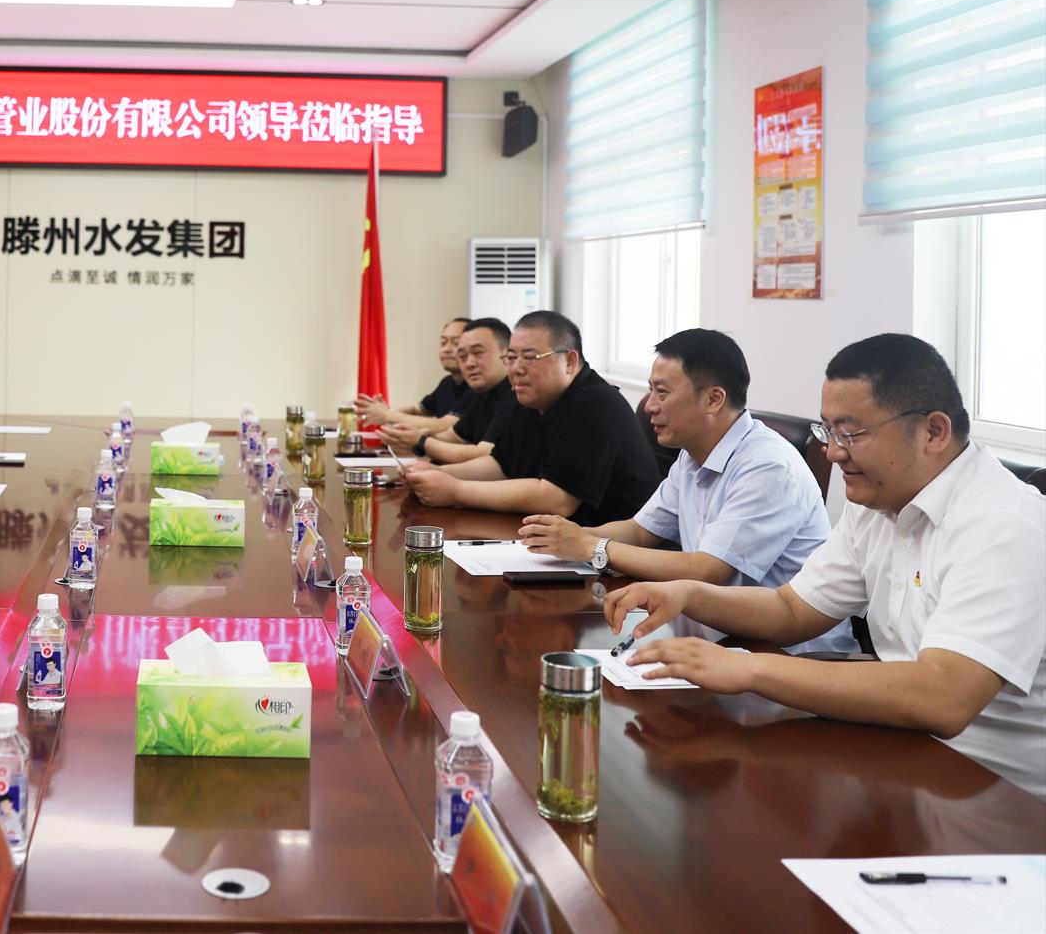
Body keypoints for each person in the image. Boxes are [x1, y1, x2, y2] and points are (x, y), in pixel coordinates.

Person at [605, 334, 1046, 799]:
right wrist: (689, 594)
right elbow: (792, 609)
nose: (833, 452)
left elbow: (944, 696)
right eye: (827, 431)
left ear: (933, 432)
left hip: (993, 797)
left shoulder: (1002, 525)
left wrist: (748, 668)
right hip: (898, 755)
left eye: (851, 434)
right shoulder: (878, 501)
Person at [520, 328, 853, 653]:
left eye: (662, 393)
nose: (649, 406)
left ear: (713, 399)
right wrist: (565, 538)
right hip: (712, 634)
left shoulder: (768, 466)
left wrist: (592, 547)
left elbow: (708, 570)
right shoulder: (692, 455)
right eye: (650, 390)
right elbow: (640, 531)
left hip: (784, 651)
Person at [403, 310, 660, 523]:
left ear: (570, 361)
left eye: (529, 357)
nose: (516, 368)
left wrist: (455, 490)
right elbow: (501, 465)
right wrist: (438, 473)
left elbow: (556, 499)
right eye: (511, 357)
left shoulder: (595, 403)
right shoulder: (530, 397)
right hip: (556, 539)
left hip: (613, 551)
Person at [385, 318, 515, 465]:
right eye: (462, 357)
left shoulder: (515, 394)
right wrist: (417, 436)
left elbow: (485, 453)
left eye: (478, 353)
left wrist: (420, 442)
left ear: (507, 355)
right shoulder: (484, 394)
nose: (469, 363)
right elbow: (454, 436)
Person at [357, 315, 473, 432]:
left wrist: (387, 415)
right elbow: (416, 410)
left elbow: (444, 426)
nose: (446, 349)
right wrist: (382, 411)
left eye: (456, 343)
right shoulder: (447, 382)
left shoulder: (475, 386)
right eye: (443, 343)